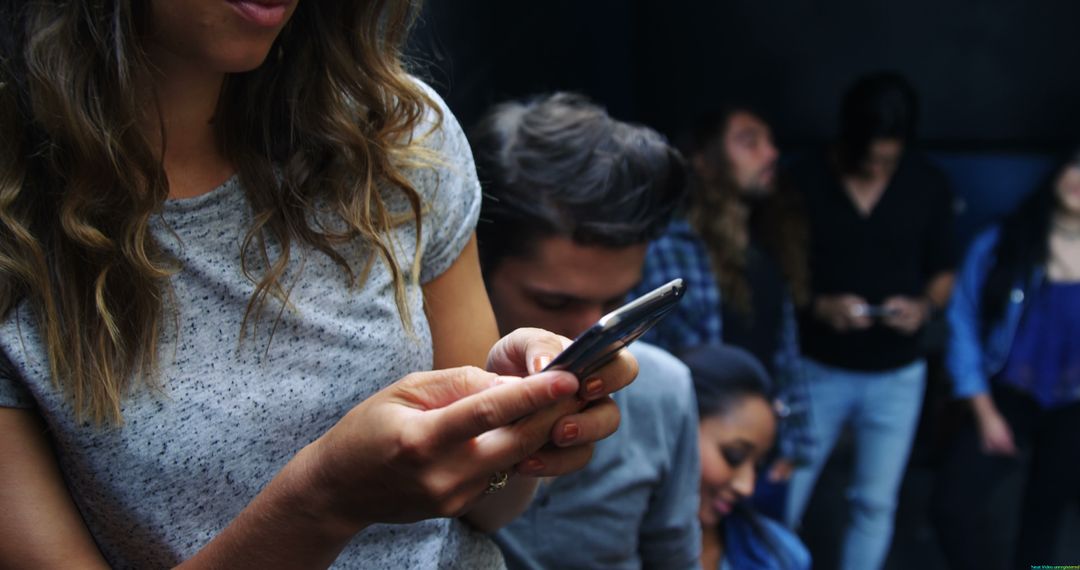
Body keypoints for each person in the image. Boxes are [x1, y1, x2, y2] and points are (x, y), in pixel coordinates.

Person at [0, 2, 636, 568]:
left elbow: (481, 511)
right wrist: (322, 501)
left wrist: (524, 426)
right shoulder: (20, 228)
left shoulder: (396, 135)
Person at [470, 93, 702, 569]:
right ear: (471, 267)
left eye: (620, 306)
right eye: (554, 303)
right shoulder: (414, 400)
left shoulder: (665, 392)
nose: (588, 336)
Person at [783, 72, 956, 570]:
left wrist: (923, 306)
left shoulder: (927, 182)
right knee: (787, 489)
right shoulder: (804, 181)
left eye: (889, 158)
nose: (879, 167)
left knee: (875, 503)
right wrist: (820, 305)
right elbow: (779, 273)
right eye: (869, 157)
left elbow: (945, 271)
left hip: (898, 373)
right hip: (818, 368)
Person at [636, 107, 814, 493]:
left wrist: (794, 440)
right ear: (704, 160)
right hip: (694, 463)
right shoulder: (669, 250)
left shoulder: (770, 244)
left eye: (770, 142)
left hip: (762, 451)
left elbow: (784, 353)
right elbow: (644, 361)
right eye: (750, 142)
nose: (770, 154)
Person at [932, 150, 1080, 569]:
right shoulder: (1002, 241)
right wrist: (983, 411)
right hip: (1004, 395)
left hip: (1072, 407)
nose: (1079, 179)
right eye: (1075, 165)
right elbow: (961, 321)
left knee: (1047, 524)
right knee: (950, 507)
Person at [681, 344, 811, 570]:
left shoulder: (782, 555)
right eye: (734, 456)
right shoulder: (607, 550)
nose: (747, 487)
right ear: (675, 431)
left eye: (758, 465)